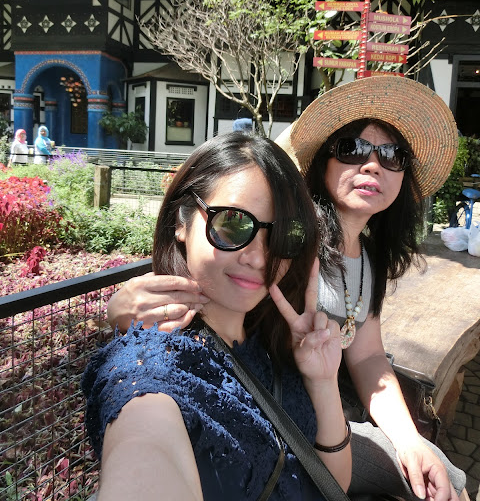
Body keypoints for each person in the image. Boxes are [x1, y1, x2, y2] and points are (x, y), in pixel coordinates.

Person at [107, 76, 467, 501]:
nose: (373, 165)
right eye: (352, 149)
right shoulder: (293, 245)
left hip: (319, 412)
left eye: (392, 155)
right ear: (322, 161)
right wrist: (122, 313)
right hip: (284, 418)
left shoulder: (366, 255)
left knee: (442, 473)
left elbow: (368, 353)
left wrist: (407, 438)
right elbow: (158, 398)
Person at [83, 131, 351, 501]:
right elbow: (145, 442)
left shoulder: (276, 340)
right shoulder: (152, 364)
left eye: (283, 235)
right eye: (232, 224)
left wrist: (322, 381)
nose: (258, 258)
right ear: (181, 221)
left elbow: (335, 485)